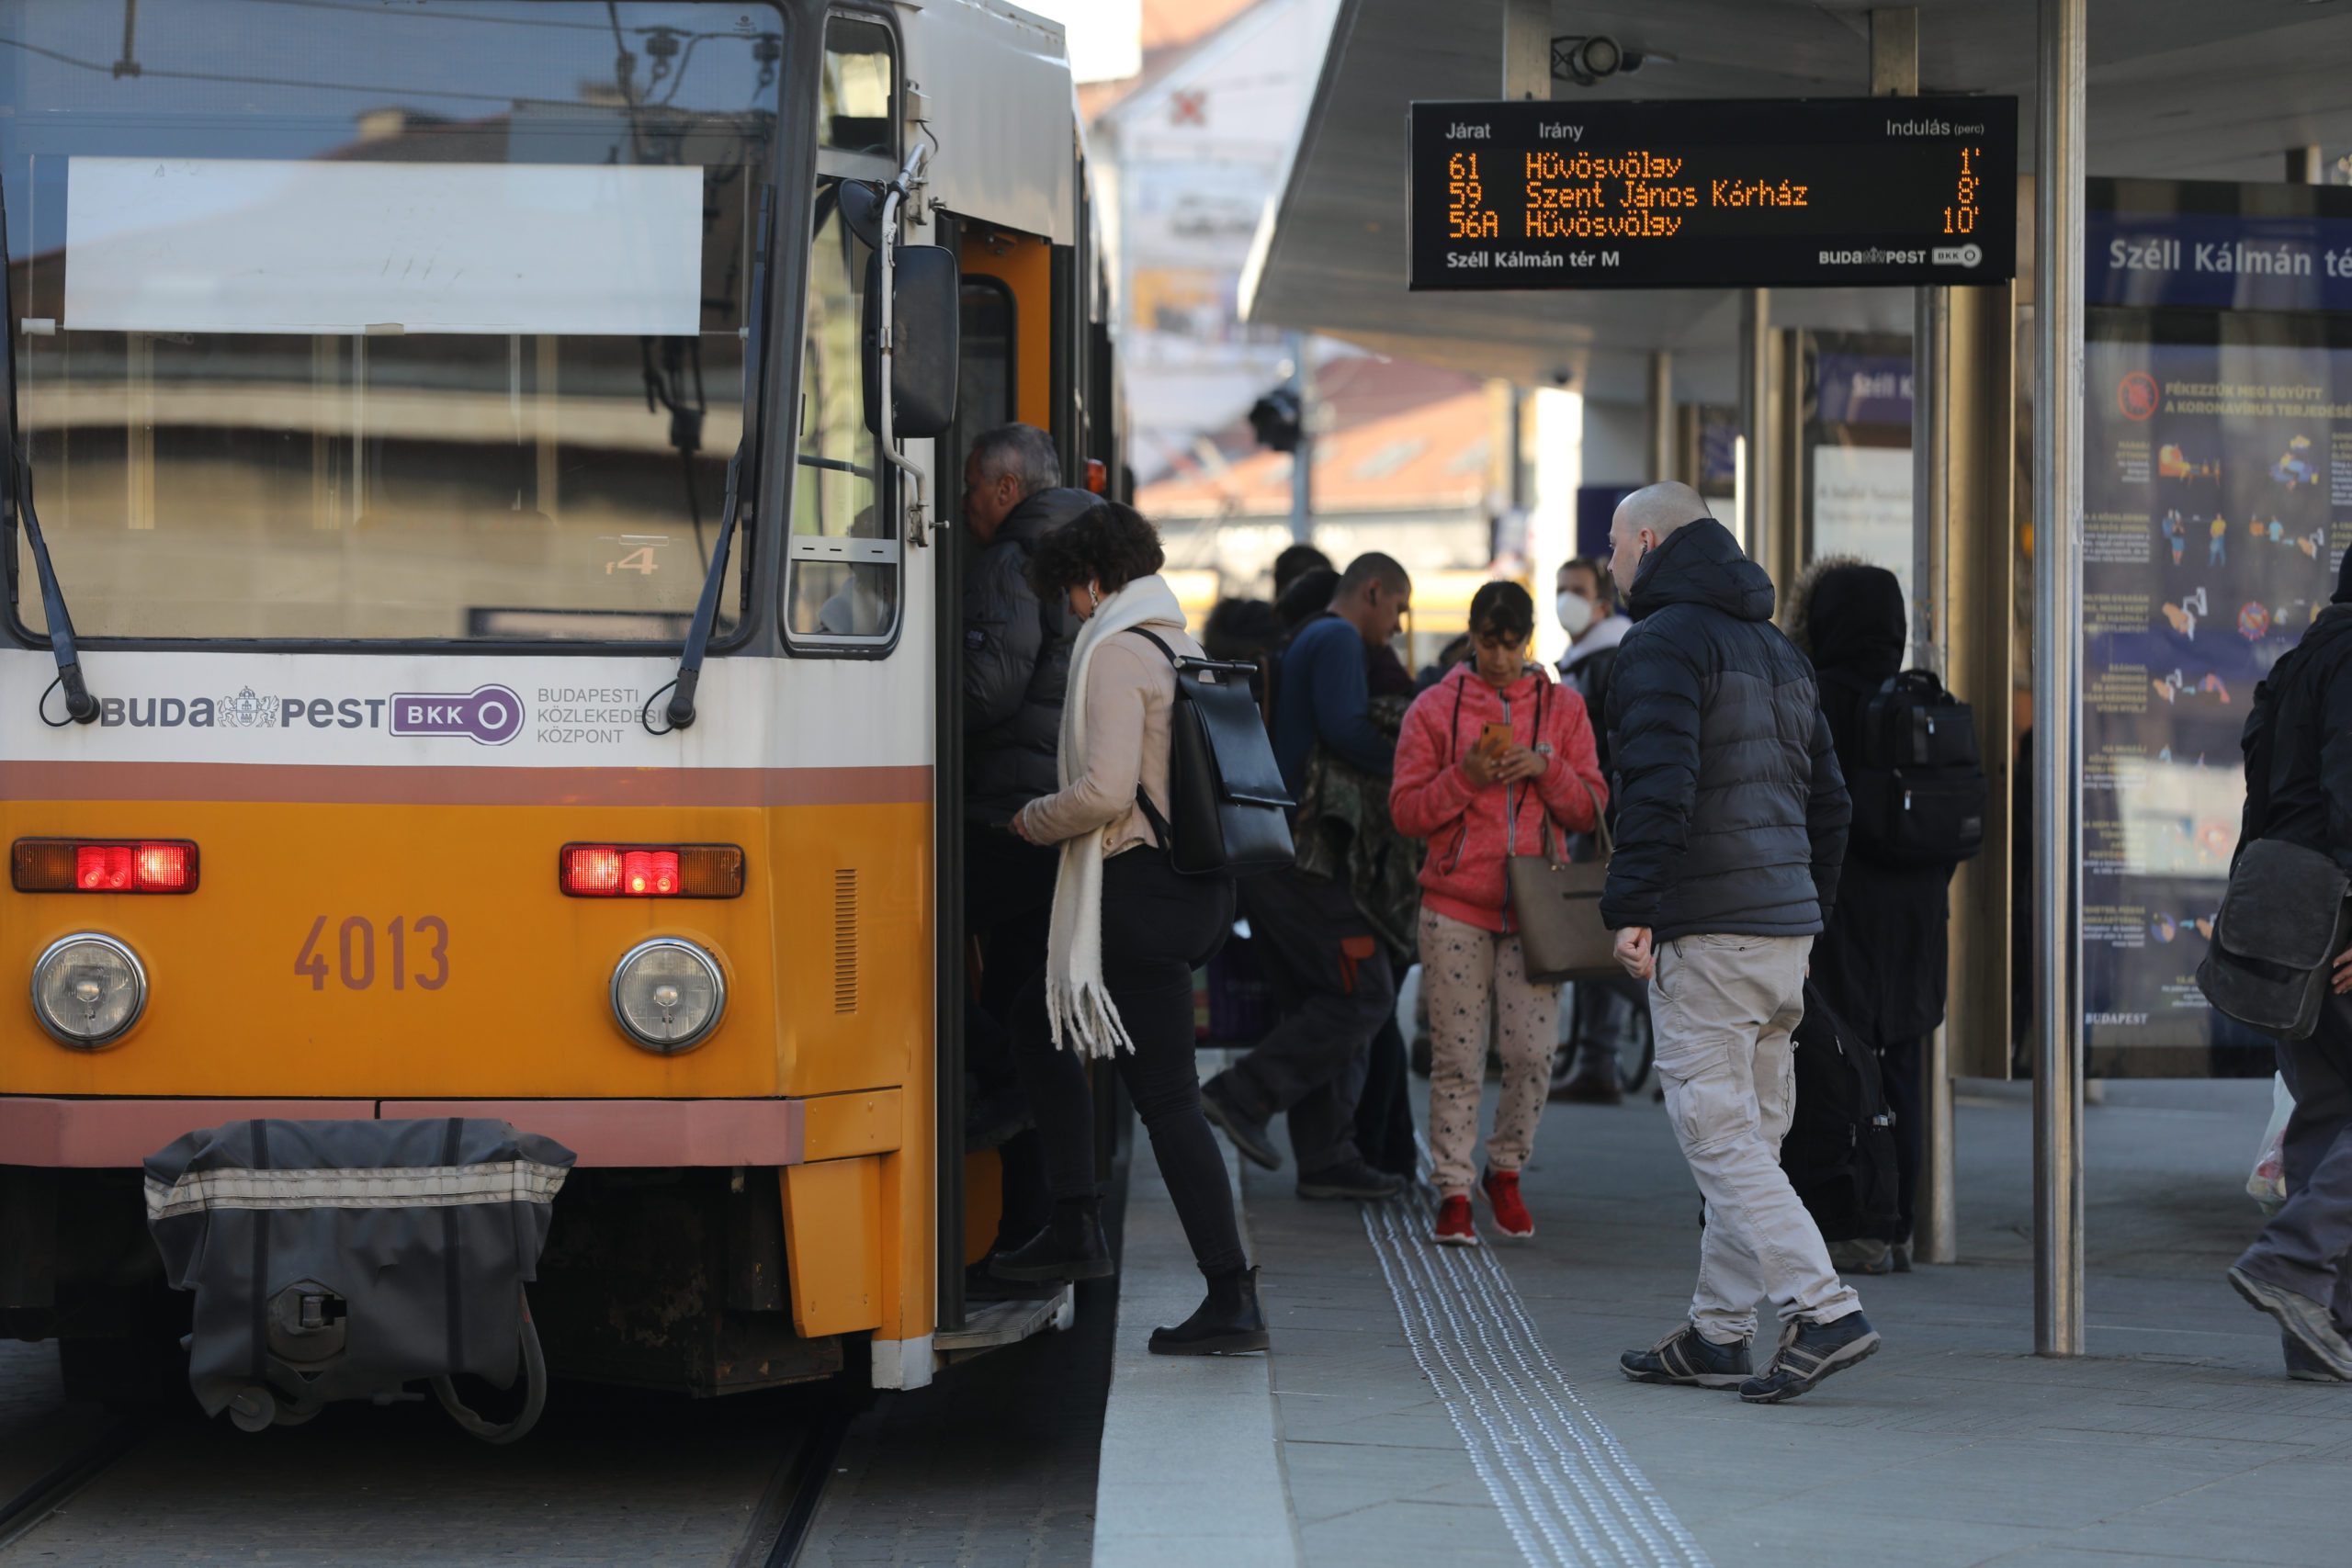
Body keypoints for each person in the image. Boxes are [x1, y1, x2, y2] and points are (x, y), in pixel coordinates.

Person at [1600, 481, 1876, 1404]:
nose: (1607, 567)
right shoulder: (1776, 649)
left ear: (1647, 540)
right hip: (1781, 931)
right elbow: (1830, 802)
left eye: (1611, 547)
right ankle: (1719, 1331)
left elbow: (1658, 782)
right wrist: (1806, 907)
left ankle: (1822, 1306)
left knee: (1715, 1132)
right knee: (1749, 1132)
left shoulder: (1661, 643)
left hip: (1708, 931)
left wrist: (1633, 905)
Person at [994, 502, 1265, 1354]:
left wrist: (1032, 818)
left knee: (1168, 1102)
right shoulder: (1181, 646)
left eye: (1071, 592)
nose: (1070, 609)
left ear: (1093, 580)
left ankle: (1231, 1294)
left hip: (1141, 894)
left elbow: (1106, 792)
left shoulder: (1115, 653)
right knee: (1036, 1022)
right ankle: (1075, 1218)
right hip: (1200, 888)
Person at [1390, 581, 1605, 1245]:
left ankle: (1505, 1170)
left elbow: (1591, 805)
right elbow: (1405, 810)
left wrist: (1545, 766)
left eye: (1512, 644)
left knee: (1531, 1052)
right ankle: (1454, 1187)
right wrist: (1468, 778)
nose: (1502, 658)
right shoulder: (1433, 707)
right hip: (1455, 902)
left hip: (1537, 907)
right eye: (1489, 642)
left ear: (1529, 639)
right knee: (1456, 1054)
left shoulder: (1564, 709)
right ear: (1472, 634)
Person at [1201, 554, 1416, 1201]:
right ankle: (1241, 1096)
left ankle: (1328, 1156)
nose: (1399, 626)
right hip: (1307, 859)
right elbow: (1346, 730)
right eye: (1399, 608)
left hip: (1277, 853)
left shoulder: (1309, 638)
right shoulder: (1337, 637)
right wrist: (1412, 760)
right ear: (1372, 591)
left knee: (1318, 999)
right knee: (1365, 994)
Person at [958, 423, 1107, 1292]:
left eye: (975, 484)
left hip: (1006, 815)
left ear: (1007, 489)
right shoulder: (1086, 551)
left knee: (913, 953)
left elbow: (991, 687)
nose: (967, 501)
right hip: (1056, 814)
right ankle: (1029, 1227)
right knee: (1032, 1008)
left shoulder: (1014, 561)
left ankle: (1005, 1089)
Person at [1785, 559, 1954, 1274]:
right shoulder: (1927, 701)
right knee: (1905, 1066)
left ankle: (1850, 1219)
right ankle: (1900, 1220)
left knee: (1836, 1066)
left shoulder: (1811, 697)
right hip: (1918, 917)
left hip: (1839, 912)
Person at [2222, 551, 2352, 1382]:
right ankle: (2292, 1261)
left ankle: (2320, 1328)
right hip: (2335, 906)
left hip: (2279, 901)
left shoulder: (2304, 655)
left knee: (2327, 1108)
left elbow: (2261, 788)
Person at [1552, 555, 1645, 1105]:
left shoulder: (1606, 657)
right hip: (1597, 812)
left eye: (1578, 590)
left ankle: (1604, 1052)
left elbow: (1606, 744)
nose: (1568, 598)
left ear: (1603, 602)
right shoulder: (1585, 656)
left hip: (1602, 814)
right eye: (1562, 588)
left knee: (1595, 941)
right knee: (1593, 938)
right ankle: (1595, 1060)